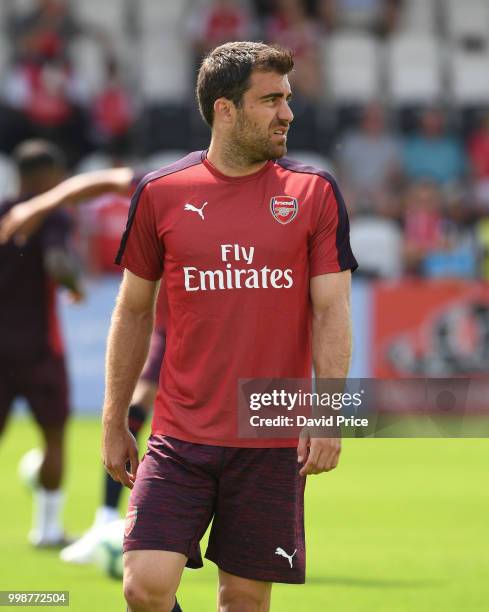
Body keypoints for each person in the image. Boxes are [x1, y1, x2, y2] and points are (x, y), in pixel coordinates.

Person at [103, 41, 357, 612]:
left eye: (288, 99)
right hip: (178, 433)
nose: (287, 113)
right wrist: (114, 417)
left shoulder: (313, 192)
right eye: (270, 100)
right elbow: (134, 310)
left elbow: (332, 310)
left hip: (270, 433)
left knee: (242, 600)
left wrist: (328, 413)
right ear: (225, 108)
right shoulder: (161, 192)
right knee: (144, 587)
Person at [0, 165, 167, 564]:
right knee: (132, 409)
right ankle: (104, 521)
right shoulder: (173, 186)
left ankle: (111, 521)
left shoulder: (300, 191)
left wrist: (36, 206)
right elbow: (105, 181)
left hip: (219, 326)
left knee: (241, 416)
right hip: (48, 349)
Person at [0, 139, 82, 547]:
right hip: (38, 348)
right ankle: (47, 529)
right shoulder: (51, 216)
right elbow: (57, 263)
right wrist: (75, 284)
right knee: (52, 436)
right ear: (44, 176)